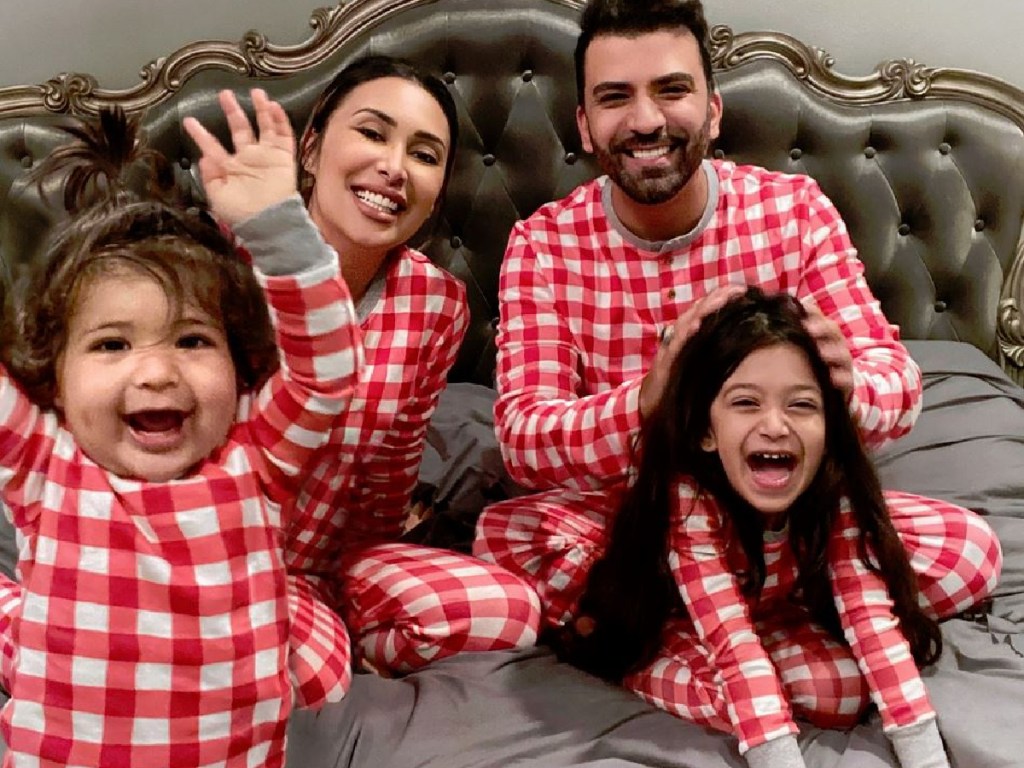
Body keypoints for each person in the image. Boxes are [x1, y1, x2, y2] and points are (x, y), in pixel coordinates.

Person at [474, 0, 1001, 757]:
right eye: (616, 97)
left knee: (968, 550)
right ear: (584, 125)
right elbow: (523, 442)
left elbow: (900, 385)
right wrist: (647, 402)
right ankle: (767, 646)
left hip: (789, 526)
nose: (647, 120)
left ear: (713, 110)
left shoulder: (793, 213)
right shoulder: (543, 246)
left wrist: (848, 387)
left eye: (672, 90)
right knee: (517, 543)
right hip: (636, 537)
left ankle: (709, 648)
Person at [0, 91, 364, 767]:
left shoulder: (254, 459)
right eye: (111, 345)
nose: (158, 372)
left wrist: (277, 228)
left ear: (239, 361)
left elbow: (328, 373)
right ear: (54, 379)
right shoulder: (46, 466)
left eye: (193, 341)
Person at [561, 287, 997, 768]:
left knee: (842, 686)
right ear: (706, 431)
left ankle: (780, 620)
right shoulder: (687, 500)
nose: (774, 425)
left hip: (777, 590)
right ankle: (636, 657)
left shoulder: (833, 491)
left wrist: (928, 758)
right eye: (746, 403)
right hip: (674, 608)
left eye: (801, 406)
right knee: (748, 684)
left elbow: (871, 620)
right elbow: (731, 640)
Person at [276, 54, 540, 690]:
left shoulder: (436, 304)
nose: (393, 167)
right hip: (205, 556)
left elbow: (392, 469)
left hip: (334, 563)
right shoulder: (217, 270)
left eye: (424, 154)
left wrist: (370, 576)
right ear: (311, 149)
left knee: (514, 612)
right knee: (314, 680)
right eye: (372, 133)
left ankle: (337, 635)